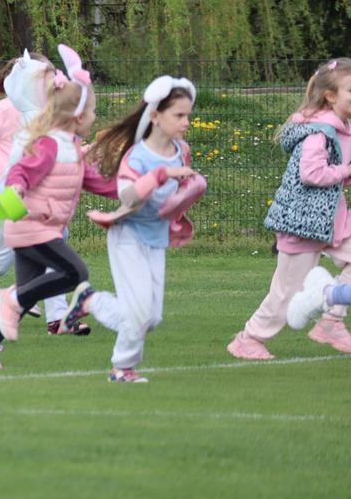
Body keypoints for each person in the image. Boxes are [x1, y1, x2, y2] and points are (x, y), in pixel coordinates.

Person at [0, 58, 118, 370]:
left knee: (24, 296)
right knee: (76, 273)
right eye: (92, 112)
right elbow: (19, 172)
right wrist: (17, 190)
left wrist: (137, 190)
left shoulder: (69, 145)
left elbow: (97, 183)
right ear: (78, 116)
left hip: (34, 225)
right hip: (32, 225)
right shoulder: (49, 143)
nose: (95, 117)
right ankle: (11, 299)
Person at [55, 76, 206, 383]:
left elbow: (179, 192)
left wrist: (190, 189)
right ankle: (121, 368)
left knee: (152, 318)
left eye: (187, 115)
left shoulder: (182, 150)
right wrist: (161, 174)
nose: (186, 122)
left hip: (156, 238)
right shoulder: (136, 157)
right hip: (128, 237)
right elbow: (127, 196)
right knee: (137, 315)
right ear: (155, 116)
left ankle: (90, 301)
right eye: (179, 115)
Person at [0, 49, 89, 335]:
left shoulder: (47, 113)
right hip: (11, 195)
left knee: (46, 245)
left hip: (28, 196)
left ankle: (52, 316)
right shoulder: (6, 110)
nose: (55, 81)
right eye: (48, 76)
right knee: (3, 259)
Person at [227, 58, 351, 359]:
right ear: (330, 96)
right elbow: (311, 174)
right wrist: (345, 171)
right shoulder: (319, 132)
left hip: (332, 219)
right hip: (302, 222)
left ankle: (331, 320)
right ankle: (249, 338)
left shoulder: (344, 127)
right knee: (287, 293)